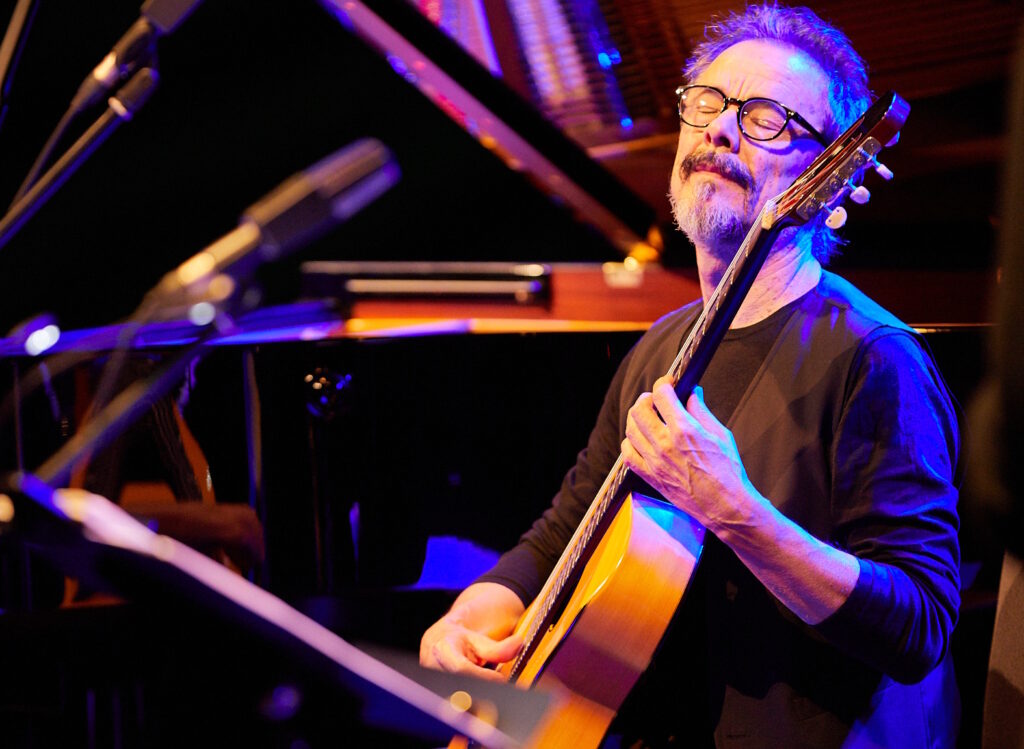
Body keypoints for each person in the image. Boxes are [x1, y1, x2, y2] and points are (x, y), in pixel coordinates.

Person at [420, 4, 962, 747]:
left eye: (767, 118)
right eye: (707, 102)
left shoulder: (876, 359)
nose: (720, 130)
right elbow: (561, 535)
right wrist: (466, 616)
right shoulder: (660, 349)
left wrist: (735, 510)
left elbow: (919, 623)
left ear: (833, 183)